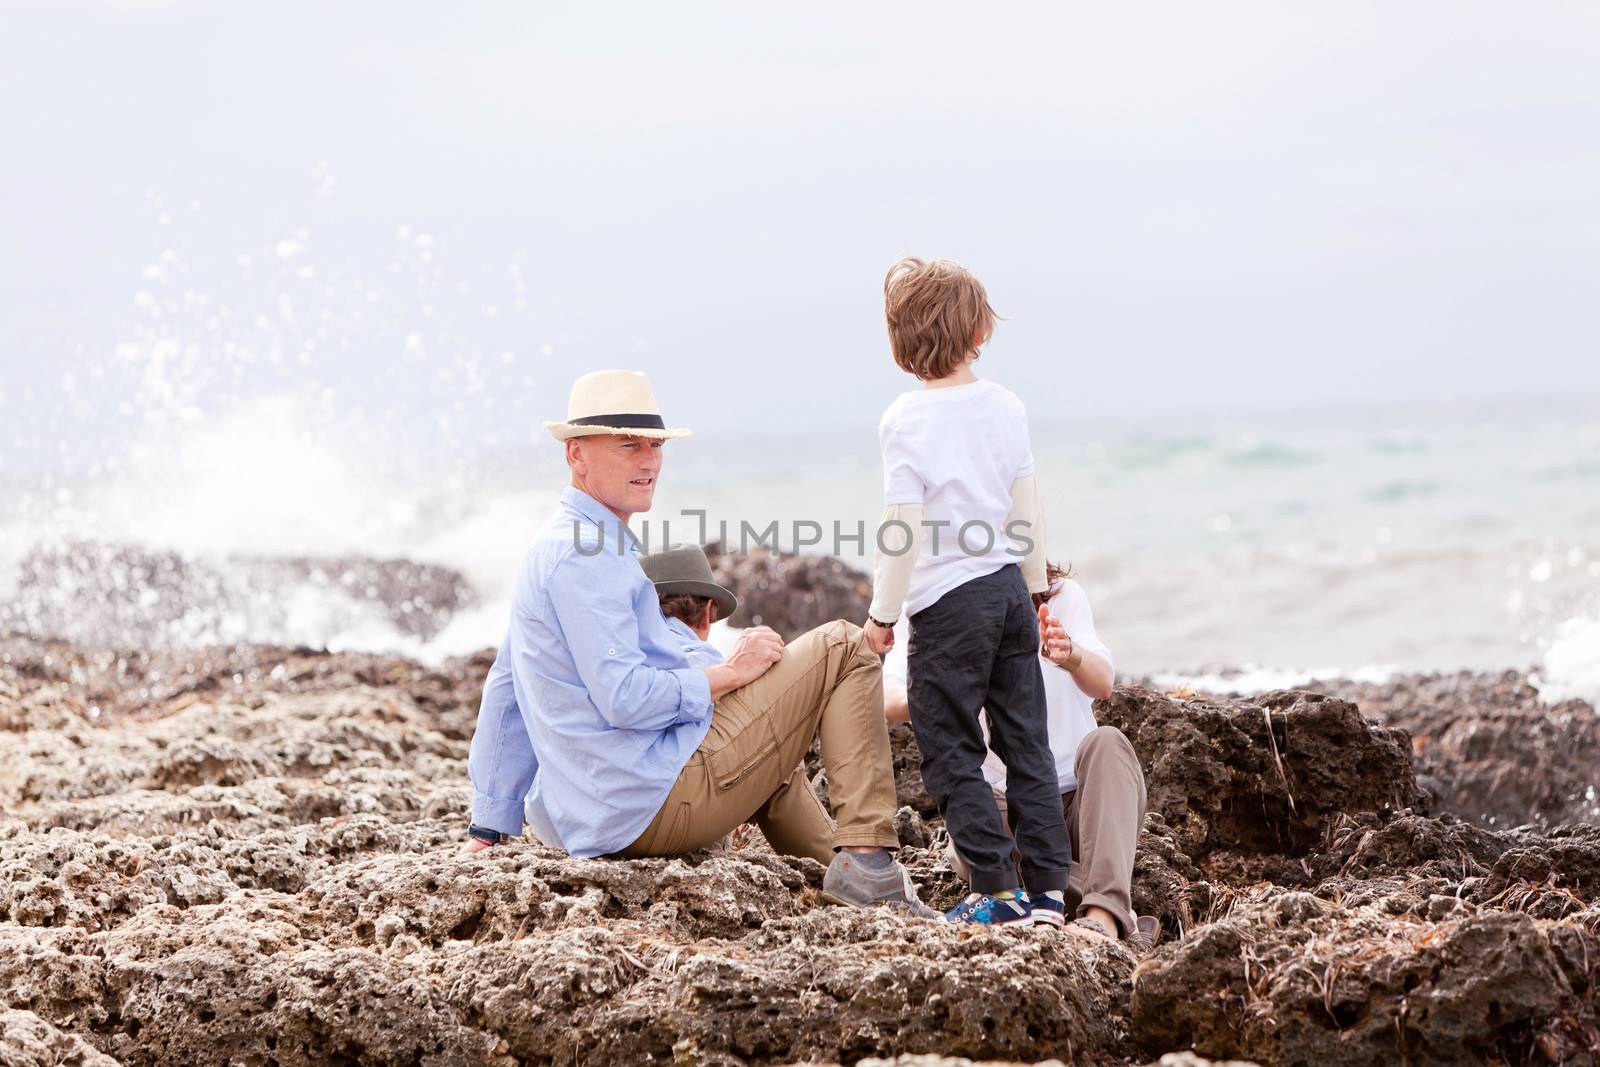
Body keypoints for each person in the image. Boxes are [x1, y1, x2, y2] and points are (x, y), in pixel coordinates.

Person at [463, 369, 933, 917]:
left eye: (655, 445)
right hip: (643, 808)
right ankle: (870, 864)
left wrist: (490, 821)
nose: (649, 461)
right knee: (843, 644)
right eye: (628, 444)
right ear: (576, 454)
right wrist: (732, 673)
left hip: (589, 814)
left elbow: (506, 689)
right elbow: (626, 699)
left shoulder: (556, 548)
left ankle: (849, 880)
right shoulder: (586, 556)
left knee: (768, 743)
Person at [859, 257, 1071, 927]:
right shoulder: (1006, 406)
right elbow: (1027, 508)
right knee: (1026, 744)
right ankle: (1050, 895)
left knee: (951, 749)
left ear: (901, 343)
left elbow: (903, 527)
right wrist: (1038, 593)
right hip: (1009, 591)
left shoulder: (905, 420)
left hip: (948, 605)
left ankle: (997, 890)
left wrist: (880, 617)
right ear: (979, 332)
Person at [883, 562, 1159, 951]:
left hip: (1084, 808)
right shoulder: (924, 602)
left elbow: (1103, 683)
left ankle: (1098, 915)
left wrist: (1070, 654)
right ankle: (1115, 910)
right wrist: (949, 680)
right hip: (1003, 809)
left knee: (1107, 742)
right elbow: (889, 699)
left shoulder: (1059, 596)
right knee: (977, 838)